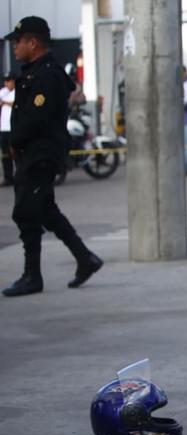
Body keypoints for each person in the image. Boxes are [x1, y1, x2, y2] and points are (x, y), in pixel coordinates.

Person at [2, 16, 102, 297]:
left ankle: (32, 275)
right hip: (33, 152)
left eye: (18, 42)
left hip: (40, 153)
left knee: (25, 212)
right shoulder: (34, 71)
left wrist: (15, 141)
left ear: (32, 42)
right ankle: (85, 258)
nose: (14, 48)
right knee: (46, 210)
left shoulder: (46, 75)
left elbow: (36, 118)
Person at [0, 73, 15, 186]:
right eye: (6, 81)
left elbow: (16, 103)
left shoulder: (18, 91)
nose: (7, 83)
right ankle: (8, 177)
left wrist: (5, 102)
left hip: (13, 127)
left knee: (15, 153)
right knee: (5, 155)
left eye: (9, 81)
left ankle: (20, 176)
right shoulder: (4, 92)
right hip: (4, 127)